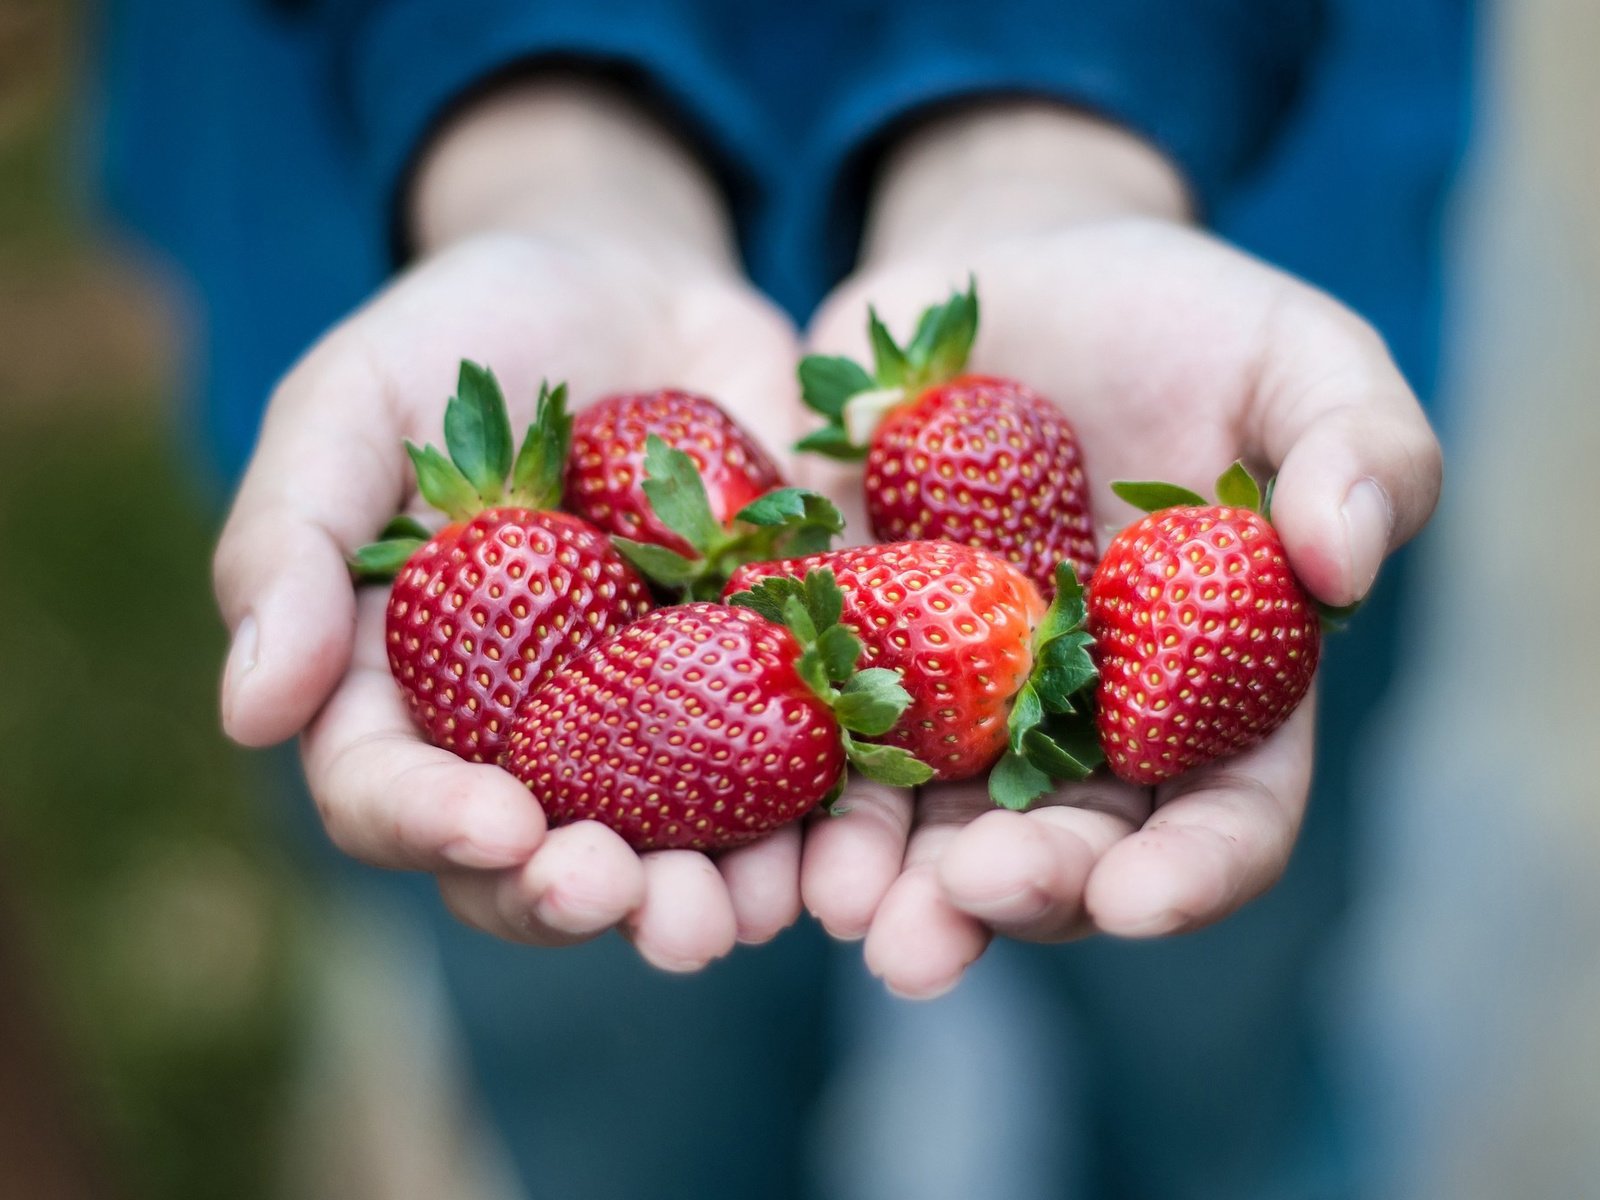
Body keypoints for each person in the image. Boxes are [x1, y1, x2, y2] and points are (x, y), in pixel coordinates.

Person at [98, 0, 1469, 1195]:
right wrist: (539, 141)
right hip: (399, 154)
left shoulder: (1147, 574)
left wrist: (1059, 123)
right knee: (622, 1101)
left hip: (1203, 226)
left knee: (1217, 1066)